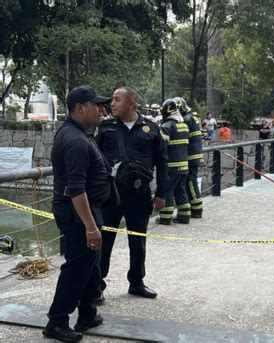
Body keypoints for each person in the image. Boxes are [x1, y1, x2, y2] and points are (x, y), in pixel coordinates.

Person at [44, 85, 111, 341]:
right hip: (78, 214)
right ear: (80, 108)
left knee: (91, 264)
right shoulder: (74, 140)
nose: (102, 111)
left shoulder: (81, 133)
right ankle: (57, 322)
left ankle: (87, 313)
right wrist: (90, 226)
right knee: (77, 268)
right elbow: (76, 189)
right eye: (97, 106)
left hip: (87, 211)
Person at [97, 86, 168, 301]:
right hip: (111, 195)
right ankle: (97, 286)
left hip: (139, 196)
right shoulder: (106, 127)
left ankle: (136, 282)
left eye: (118, 100)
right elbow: (95, 157)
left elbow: (162, 163)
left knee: (138, 241)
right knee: (105, 239)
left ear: (132, 102)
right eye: (113, 100)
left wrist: (161, 194)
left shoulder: (151, 128)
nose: (113, 104)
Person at [158, 99, 191, 225]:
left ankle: (165, 217)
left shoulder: (167, 126)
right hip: (184, 165)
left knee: (168, 190)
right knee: (180, 189)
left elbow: (162, 147)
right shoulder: (183, 125)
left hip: (172, 166)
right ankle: (184, 216)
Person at [175, 97, 205, 218]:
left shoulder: (186, 120)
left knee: (190, 182)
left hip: (190, 156)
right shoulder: (192, 117)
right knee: (190, 181)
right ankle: (195, 207)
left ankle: (197, 209)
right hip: (194, 154)